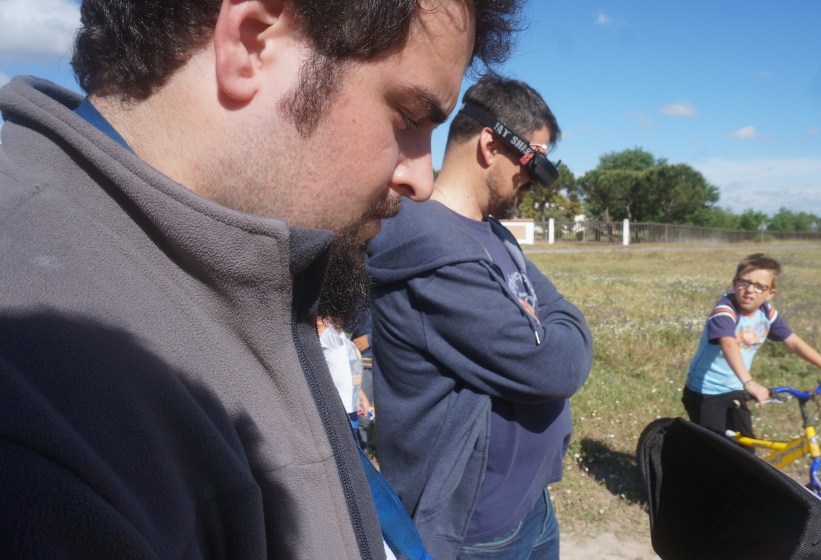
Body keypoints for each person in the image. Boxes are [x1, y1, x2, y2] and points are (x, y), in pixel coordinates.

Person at [0, 0, 524, 558]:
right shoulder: (43, 414)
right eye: (409, 118)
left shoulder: (228, 256)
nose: (421, 179)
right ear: (251, 42)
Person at [366, 76, 593, 560]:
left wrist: (552, 323)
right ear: (491, 145)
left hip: (528, 503)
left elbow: (556, 314)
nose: (534, 178)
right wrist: (548, 325)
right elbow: (557, 367)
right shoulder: (430, 247)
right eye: (534, 162)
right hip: (477, 527)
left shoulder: (493, 234)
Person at [683, 253, 821, 437]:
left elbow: (793, 341)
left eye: (759, 286)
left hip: (736, 389)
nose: (749, 290)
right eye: (744, 282)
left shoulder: (766, 312)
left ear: (770, 293)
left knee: (746, 450)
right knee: (711, 450)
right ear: (734, 283)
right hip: (706, 392)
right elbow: (728, 344)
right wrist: (750, 382)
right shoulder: (725, 310)